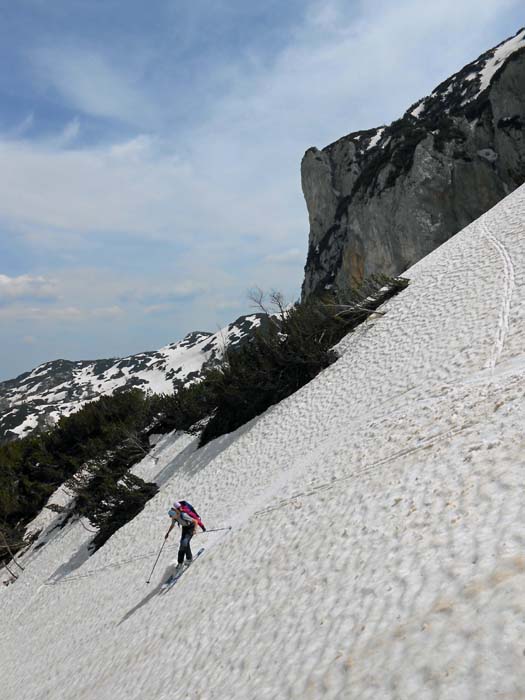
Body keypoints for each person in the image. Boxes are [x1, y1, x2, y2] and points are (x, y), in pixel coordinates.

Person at [165, 501, 199, 571]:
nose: (171, 517)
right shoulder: (174, 518)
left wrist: (194, 530)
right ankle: (180, 562)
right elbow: (172, 525)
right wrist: (168, 533)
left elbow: (195, 521)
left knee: (185, 543)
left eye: (172, 516)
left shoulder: (183, 515)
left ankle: (189, 558)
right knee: (182, 545)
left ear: (175, 514)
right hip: (185, 528)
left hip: (190, 528)